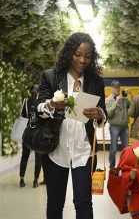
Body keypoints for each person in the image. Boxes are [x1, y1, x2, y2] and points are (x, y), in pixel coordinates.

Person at [36, 32, 107, 219]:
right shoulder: (51, 77)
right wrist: (52, 104)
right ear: (69, 53)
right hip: (55, 150)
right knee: (55, 204)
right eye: (77, 54)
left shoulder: (95, 81)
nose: (82, 60)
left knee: (84, 204)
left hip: (84, 152)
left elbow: (103, 116)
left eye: (88, 56)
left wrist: (99, 114)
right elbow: (38, 109)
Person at [19, 84, 43, 188]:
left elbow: (23, 116)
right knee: (38, 158)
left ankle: (21, 179)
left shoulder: (26, 101)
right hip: (38, 134)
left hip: (27, 133)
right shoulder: (41, 102)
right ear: (39, 91)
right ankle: (35, 180)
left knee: (24, 156)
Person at [105, 80, 132, 168]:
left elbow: (132, 107)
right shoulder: (107, 100)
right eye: (115, 87)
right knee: (113, 148)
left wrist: (130, 95)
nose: (117, 89)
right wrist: (116, 102)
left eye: (118, 87)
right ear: (111, 88)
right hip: (114, 127)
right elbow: (108, 114)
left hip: (125, 127)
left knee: (126, 148)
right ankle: (112, 166)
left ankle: (124, 165)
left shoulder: (124, 99)